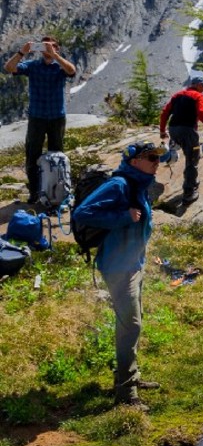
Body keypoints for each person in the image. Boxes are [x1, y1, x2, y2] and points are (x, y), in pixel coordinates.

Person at [71, 140, 165, 409]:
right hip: (117, 267)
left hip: (134, 263)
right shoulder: (120, 184)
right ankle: (126, 392)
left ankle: (130, 376)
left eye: (159, 158)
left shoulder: (139, 183)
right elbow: (82, 212)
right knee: (131, 325)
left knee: (133, 322)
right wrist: (123, 216)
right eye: (151, 158)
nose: (156, 163)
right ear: (134, 161)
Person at [4, 35, 77, 205]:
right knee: (32, 155)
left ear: (57, 48)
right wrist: (22, 52)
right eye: (44, 47)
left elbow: (72, 70)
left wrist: (55, 56)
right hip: (37, 117)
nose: (47, 50)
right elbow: (9, 67)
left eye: (51, 46)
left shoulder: (60, 67)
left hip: (56, 117)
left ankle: (56, 192)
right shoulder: (33, 66)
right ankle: (35, 193)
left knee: (57, 154)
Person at [158, 72, 203, 202]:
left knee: (187, 151)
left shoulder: (177, 95)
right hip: (188, 131)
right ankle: (189, 192)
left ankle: (173, 148)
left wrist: (163, 131)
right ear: (197, 85)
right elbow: (202, 114)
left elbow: (165, 112)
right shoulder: (198, 96)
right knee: (192, 159)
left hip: (173, 129)